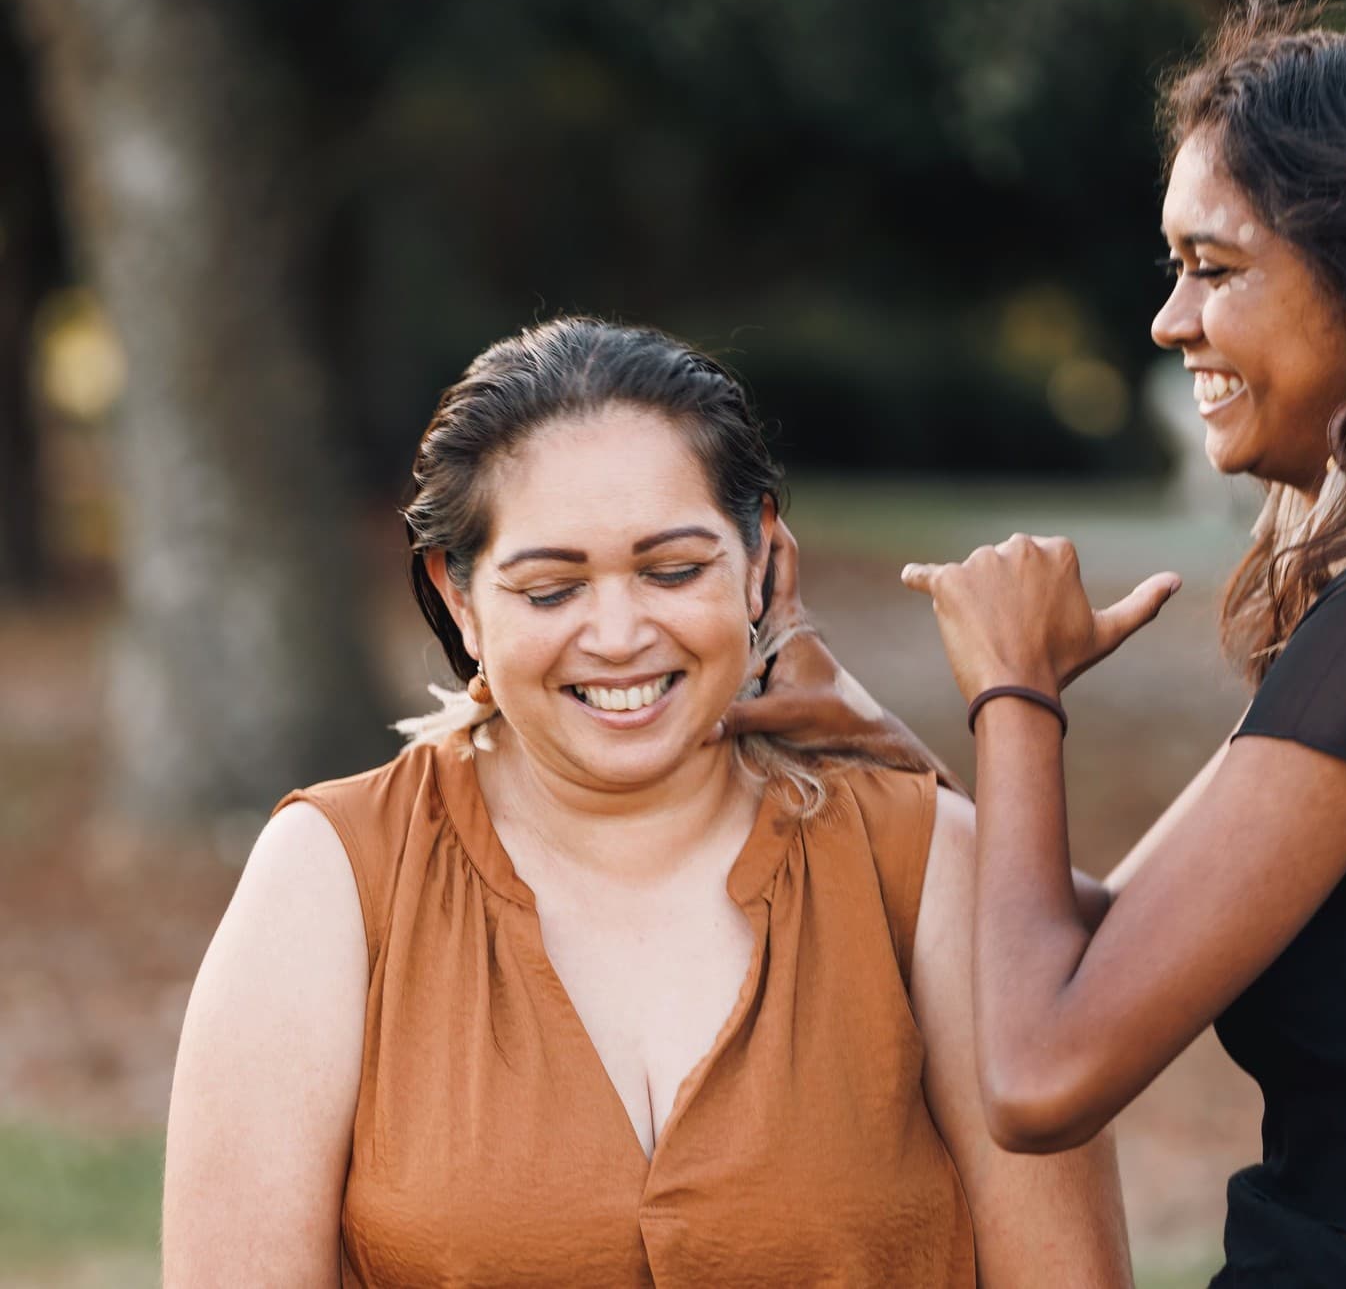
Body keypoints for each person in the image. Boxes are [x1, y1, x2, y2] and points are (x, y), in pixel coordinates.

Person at [749, 0, 1346, 1289]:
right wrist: (867, 731)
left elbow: (1040, 1072)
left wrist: (1019, 695)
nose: (1168, 320)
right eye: (1173, 267)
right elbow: (1102, 932)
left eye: (1216, 268)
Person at [162, 318, 1131, 1287]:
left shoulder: (928, 861)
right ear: (458, 599)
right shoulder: (328, 875)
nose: (619, 634)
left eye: (673, 571)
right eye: (550, 589)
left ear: (760, 562)